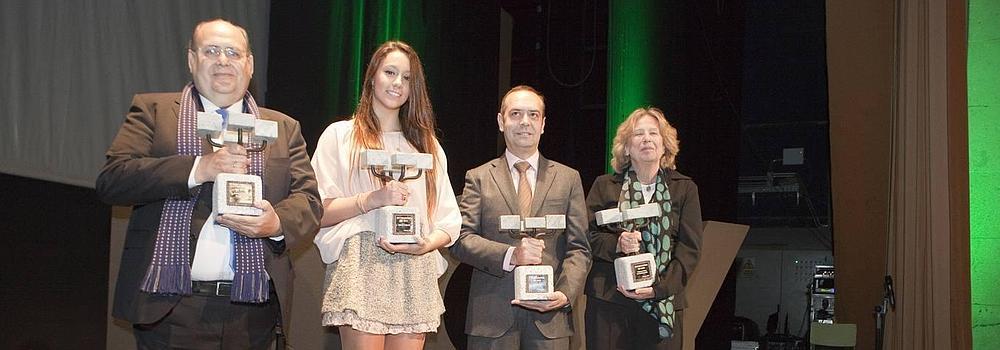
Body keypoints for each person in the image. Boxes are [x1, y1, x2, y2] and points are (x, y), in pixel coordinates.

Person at [96, 19, 322, 349]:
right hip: (172, 306)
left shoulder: (283, 127)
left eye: (233, 52)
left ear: (250, 64)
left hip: (253, 309)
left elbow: (309, 200)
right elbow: (113, 180)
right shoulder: (154, 111)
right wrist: (199, 168)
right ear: (192, 60)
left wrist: (276, 223)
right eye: (211, 50)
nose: (223, 60)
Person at [311, 40, 461, 350]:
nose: (397, 83)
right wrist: (370, 200)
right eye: (390, 72)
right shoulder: (340, 136)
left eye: (407, 78)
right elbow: (316, 211)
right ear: (372, 77)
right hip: (362, 261)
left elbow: (449, 221)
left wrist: (425, 245)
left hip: (414, 266)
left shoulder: (427, 146)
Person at [450, 85, 592, 349]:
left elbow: (580, 248)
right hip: (491, 318)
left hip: (550, 320)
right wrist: (511, 255)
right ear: (501, 121)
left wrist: (564, 294)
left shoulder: (568, 179)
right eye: (515, 114)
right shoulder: (478, 177)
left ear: (543, 124)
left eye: (533, 115)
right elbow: (461, 240)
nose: (525, 122)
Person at [584, 107, 703, 350]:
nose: (647, 138)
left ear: (664, 145)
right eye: (638, 134)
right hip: (610, 300)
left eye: (654, 133)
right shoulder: (604, 185)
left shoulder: (684, 188)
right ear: (626, 147)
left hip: (663, 301)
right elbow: (585, 235)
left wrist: (658, 289)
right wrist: (616, 243)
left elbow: (690, 249)